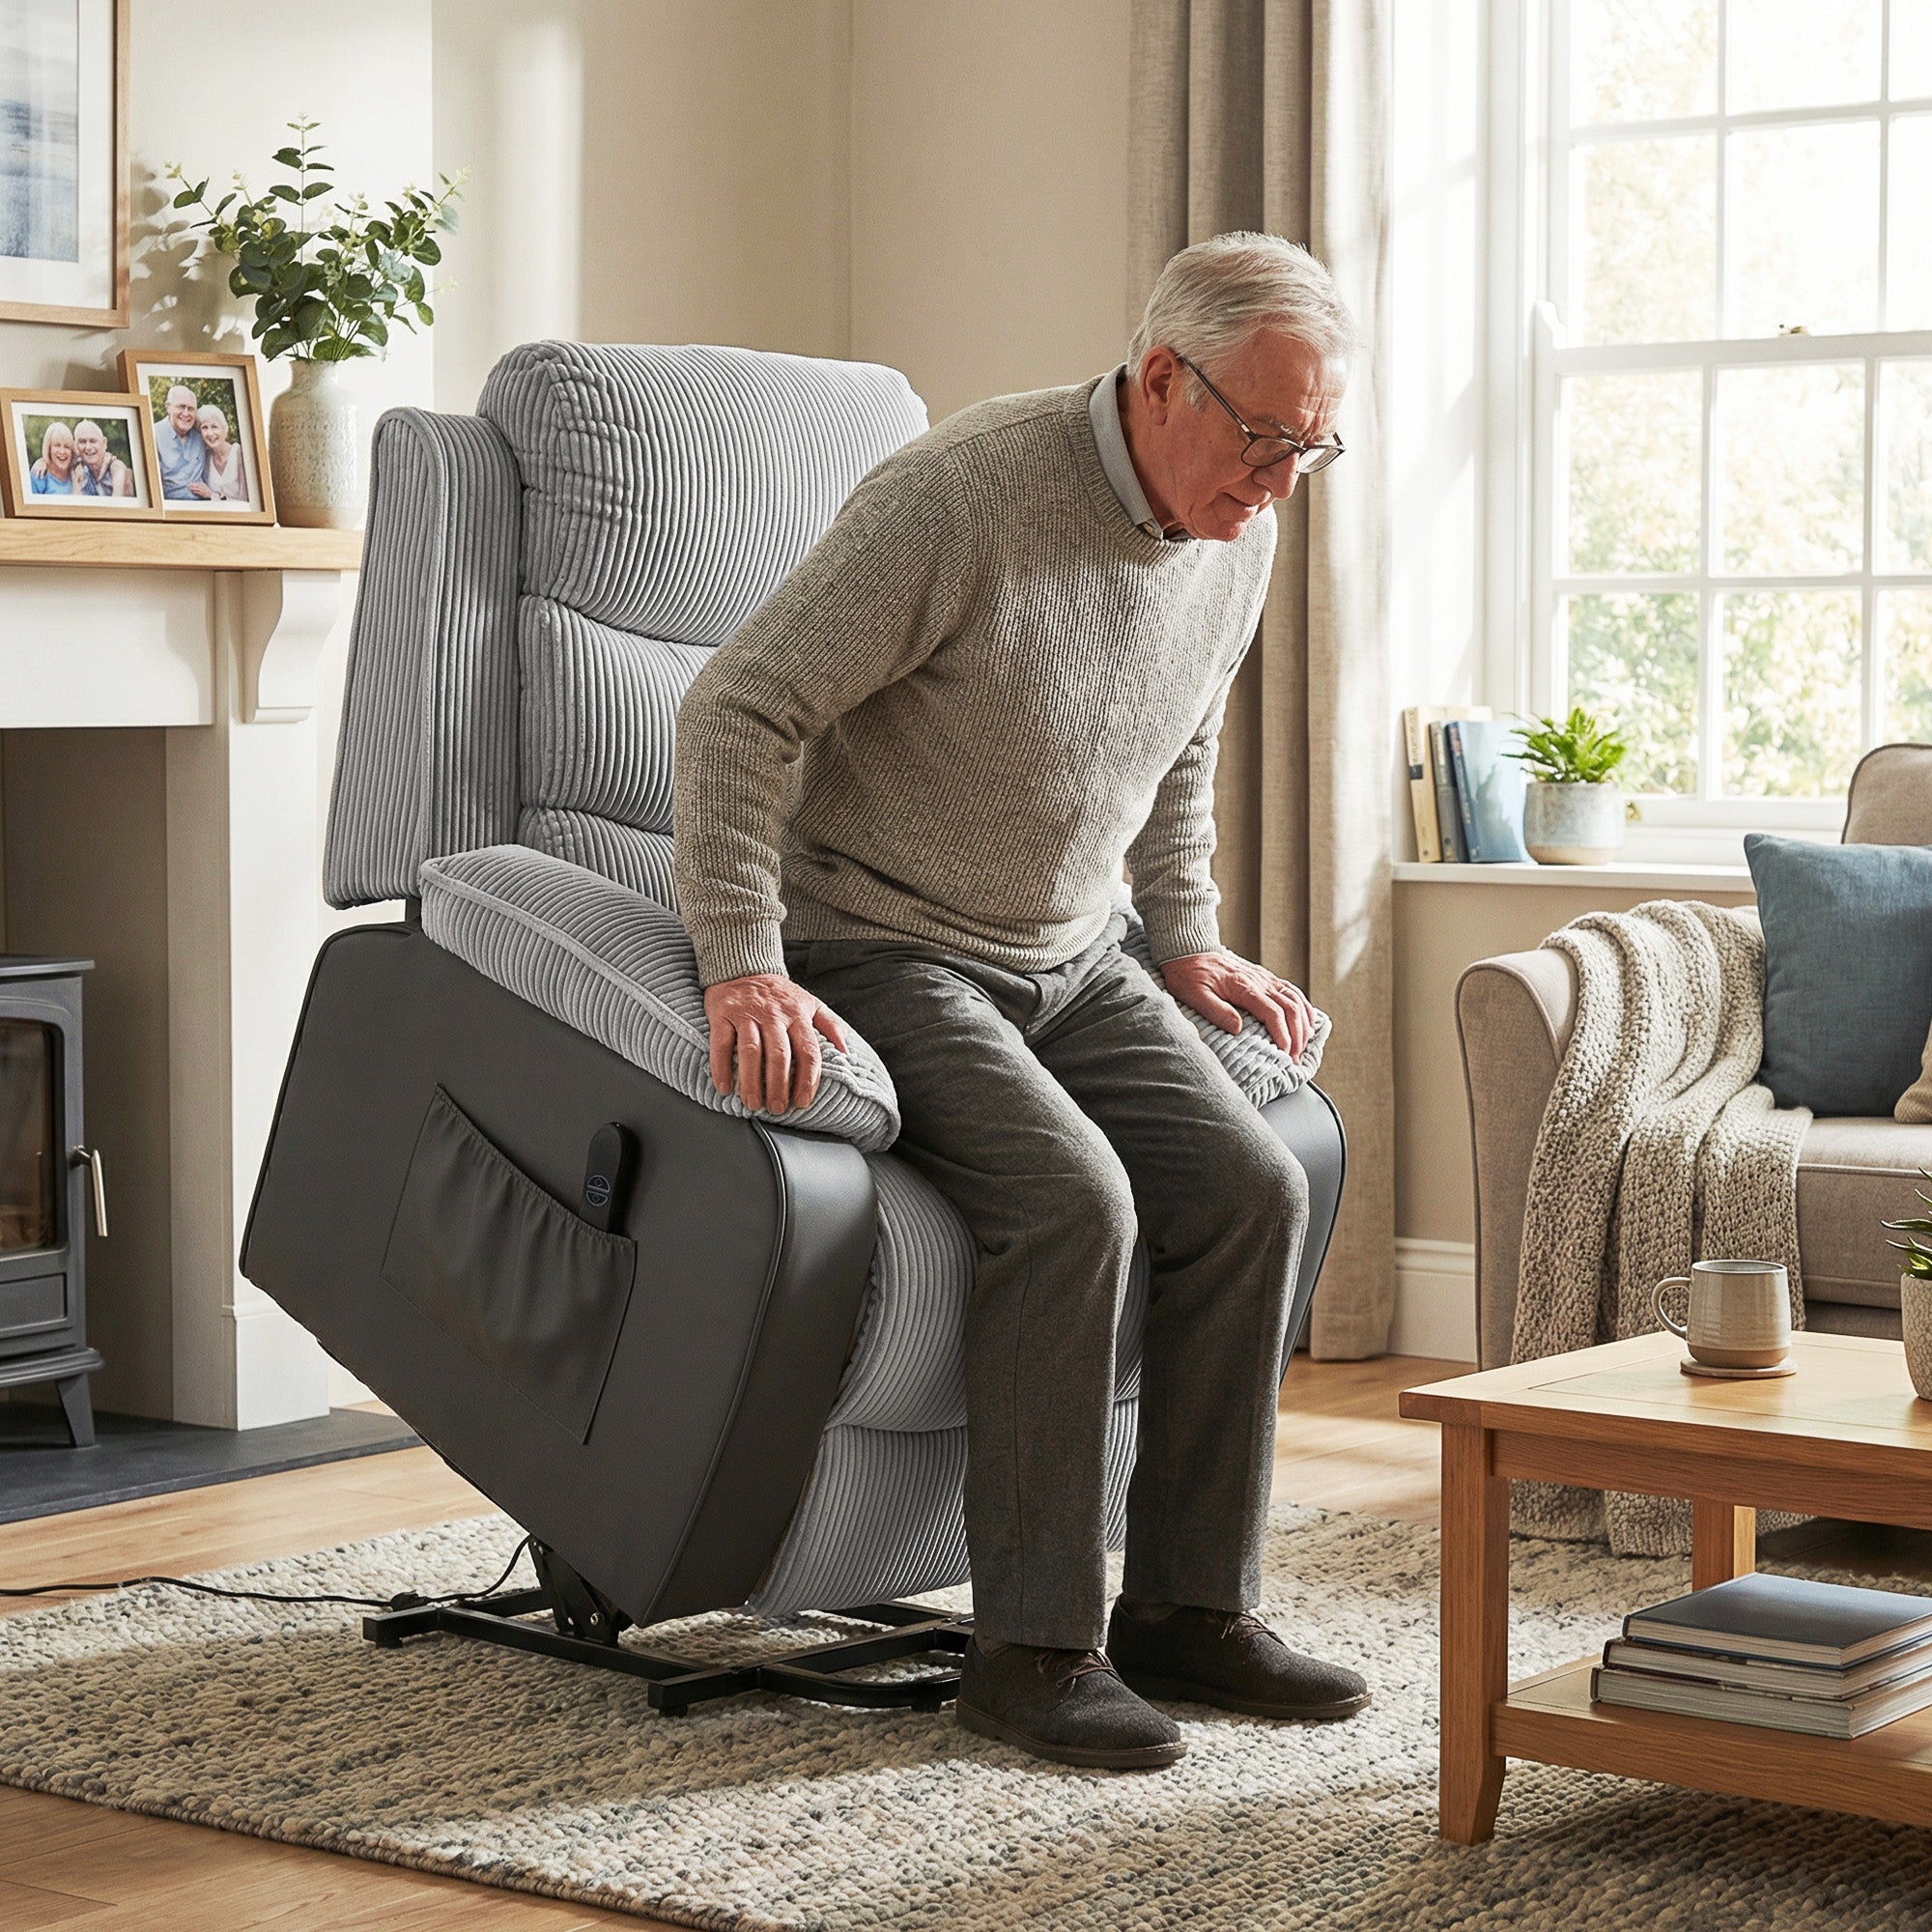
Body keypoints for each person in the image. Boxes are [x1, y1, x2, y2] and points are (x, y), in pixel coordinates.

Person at [671, 232, 1369, 1773]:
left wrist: (1184, 940)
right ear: (1162, 378)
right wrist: (745, 957)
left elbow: (1181, 749)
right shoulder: (963, 492)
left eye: (1310, 445)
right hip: (879, 937)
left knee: (1250, 1190)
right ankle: (1032, 1649)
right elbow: (741, 704)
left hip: (1077, 950)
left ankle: (1187, 1614)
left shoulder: (1236, 528)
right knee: (1074, 1204)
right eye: (1262, 437)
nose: (1279, 481)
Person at [154, 384, 212, 500]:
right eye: (181, 407)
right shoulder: (153, 434)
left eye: (191, 409)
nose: (186, 414)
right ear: (168, 407)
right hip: (169, 509)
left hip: (203, 508)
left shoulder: (202, 434)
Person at [198, 402, 248, 503]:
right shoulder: (206, 458)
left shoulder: (240, 453)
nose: (210, 433)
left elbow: (251, 501)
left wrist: (212, 495)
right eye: (204, 427)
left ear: (225, 429)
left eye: (214, 427)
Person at [71, 420, 135, 497]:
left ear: (104, 443)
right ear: (75, 446)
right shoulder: (78, 469)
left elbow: (118, 504)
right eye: (82, 442)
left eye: (93, 441)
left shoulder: (116, 468)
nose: (88, 447)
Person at [27, 421, 78, 495]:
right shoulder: (38, 475)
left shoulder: (80, 473)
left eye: (67, 447)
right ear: (49, 449)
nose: (62, 451)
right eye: (57, 445)